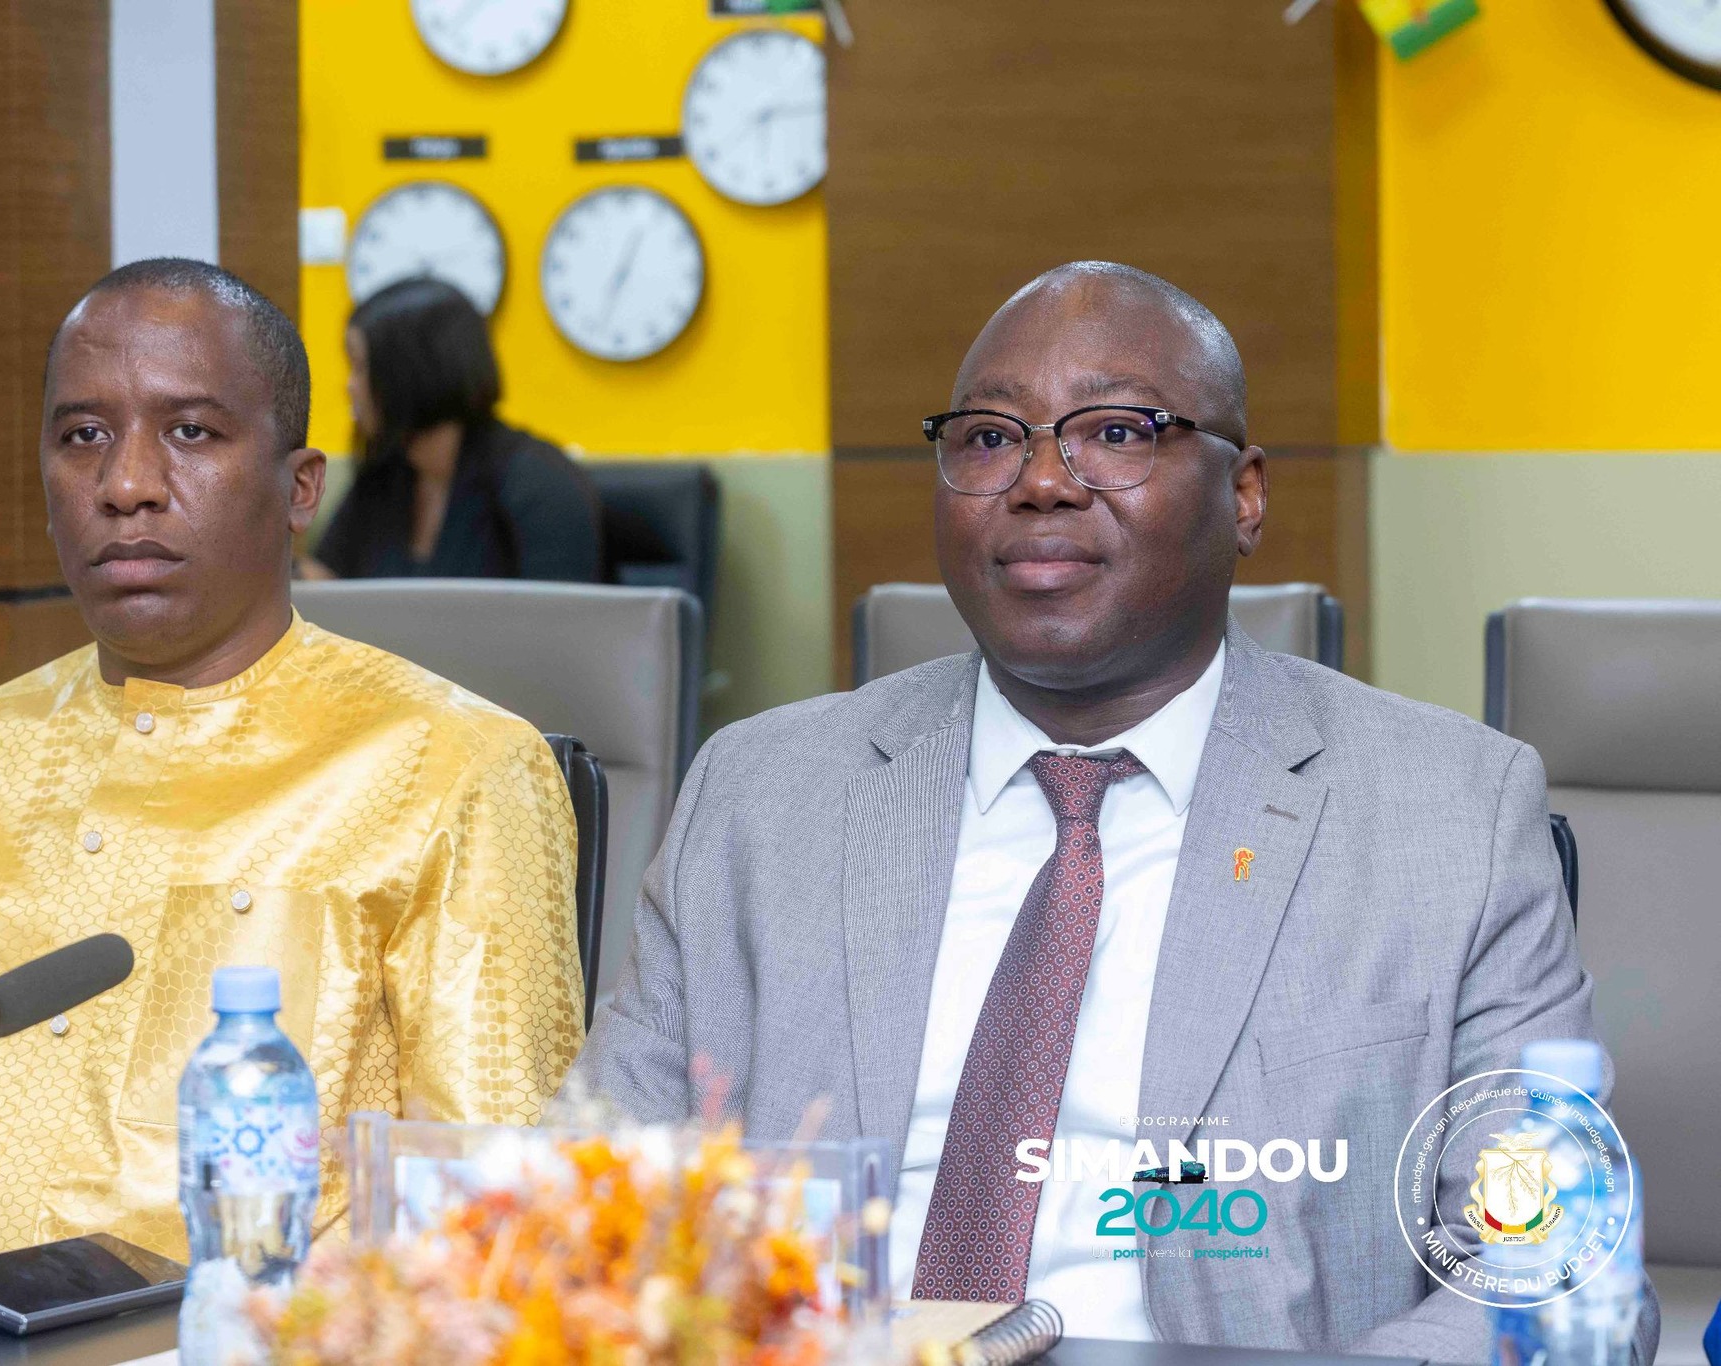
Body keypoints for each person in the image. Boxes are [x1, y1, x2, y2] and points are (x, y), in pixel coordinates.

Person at [565, 262, 1658, 1362]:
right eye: (989, 438)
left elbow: (1551, 1266)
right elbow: (585, 1209)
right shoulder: (758, 795)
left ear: (1244, 495)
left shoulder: (1450, 814)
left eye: (1118, 432)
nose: (1041, 480)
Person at [0, 259, 585, 1264]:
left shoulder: (453, 771)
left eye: (190, 432)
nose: (125, 485)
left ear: (299, 488)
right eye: (84, 436)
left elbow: (491, 1217)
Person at [304, 278, 600, 582]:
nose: (350, 386)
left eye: (360, 367)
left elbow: (561, 609)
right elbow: (325, 580)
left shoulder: (540, 484)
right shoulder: (385, 477)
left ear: (411, 370)